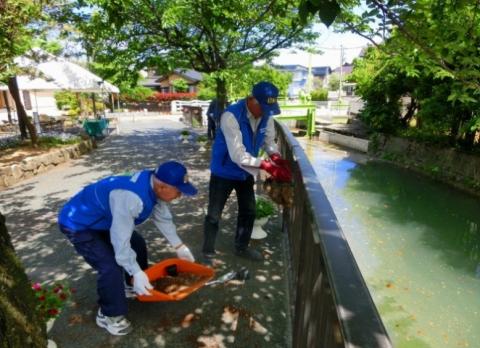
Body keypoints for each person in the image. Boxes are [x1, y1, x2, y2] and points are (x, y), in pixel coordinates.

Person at [58, 161, 197, 336]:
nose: (180, 196)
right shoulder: (132, 197)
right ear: (162, 187)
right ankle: (108, 315)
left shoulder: (153, 183)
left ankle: (130, 284)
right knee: (110, 266)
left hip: (103, 220)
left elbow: (162, 217)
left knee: (137, 244)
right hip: (80, 224)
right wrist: (136, 270)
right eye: (178, 191)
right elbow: (120, 240)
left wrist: (179, 245)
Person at [202, 81, 292, 262]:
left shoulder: (267, 115)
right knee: (214, 213)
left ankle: (241, 247)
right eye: (263, 107)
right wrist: (266, 166)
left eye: (269, 108)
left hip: (246, 172)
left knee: (249, 211)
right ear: (252, 99)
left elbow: (268, 141)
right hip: (224, 171)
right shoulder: (231, 116)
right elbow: (237, 155)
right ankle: (207, 250)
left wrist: (275, 156)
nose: (266, 112)